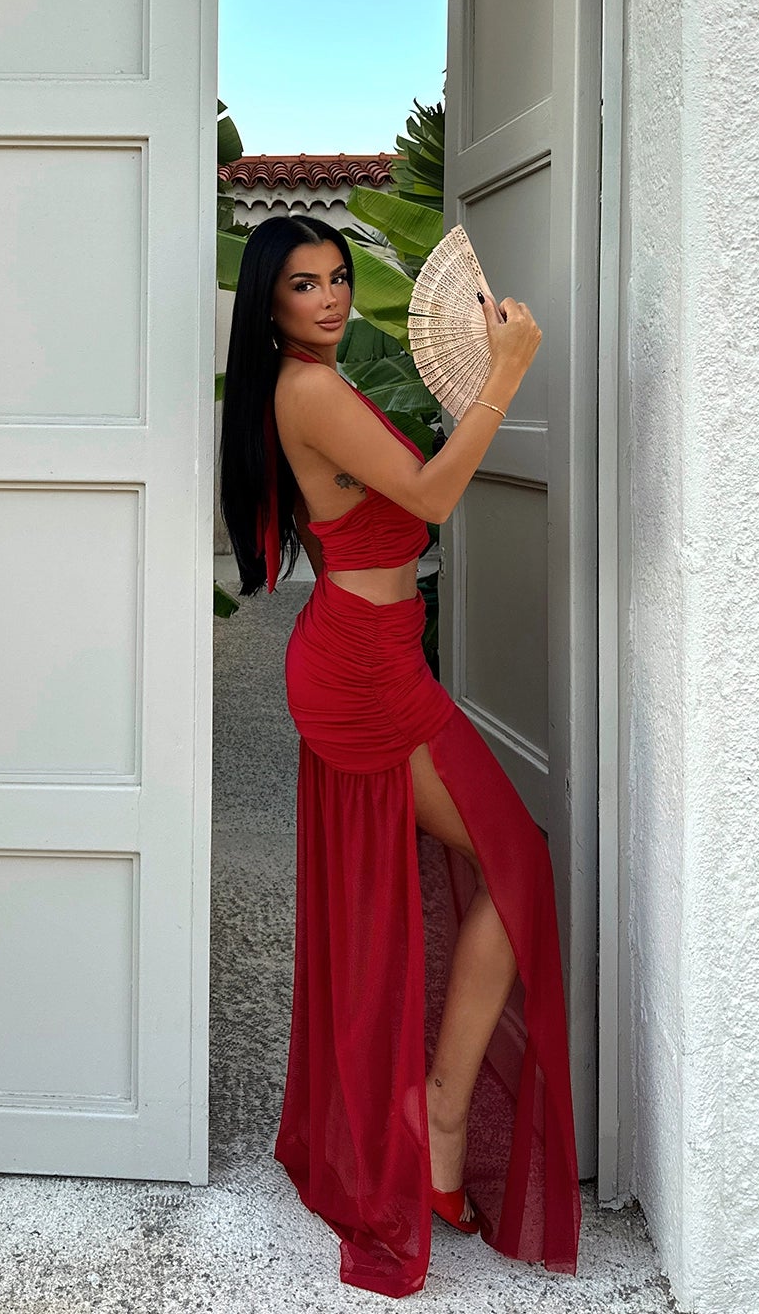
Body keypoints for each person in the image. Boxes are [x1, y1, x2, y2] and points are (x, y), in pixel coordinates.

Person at [219, 214, 581, 1299]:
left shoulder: (313, 380)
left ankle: (427, 1119)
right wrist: (505, 377)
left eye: (337, 279)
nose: (329, 299)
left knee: (453, 879)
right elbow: (428, 499)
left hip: (371, 654)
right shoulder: (311, 388)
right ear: (268, 305)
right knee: (513, 860)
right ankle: (436, 1121)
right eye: (302, 285)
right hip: (366, 677)